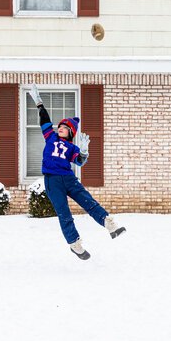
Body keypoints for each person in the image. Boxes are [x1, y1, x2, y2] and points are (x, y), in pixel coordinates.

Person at [29, 84, 124, 260]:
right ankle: (75, 243)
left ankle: (109, 223)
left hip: (68, 178)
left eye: (64, 127)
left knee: (87, 200)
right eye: (60, 126)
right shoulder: (50, 136)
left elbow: (79, 162)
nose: (60, 128)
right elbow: (44, 119)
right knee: (64, 212)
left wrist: (84, 152)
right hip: (53, 181)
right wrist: (39, 104)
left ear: (71, 132)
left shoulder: (72, 147)